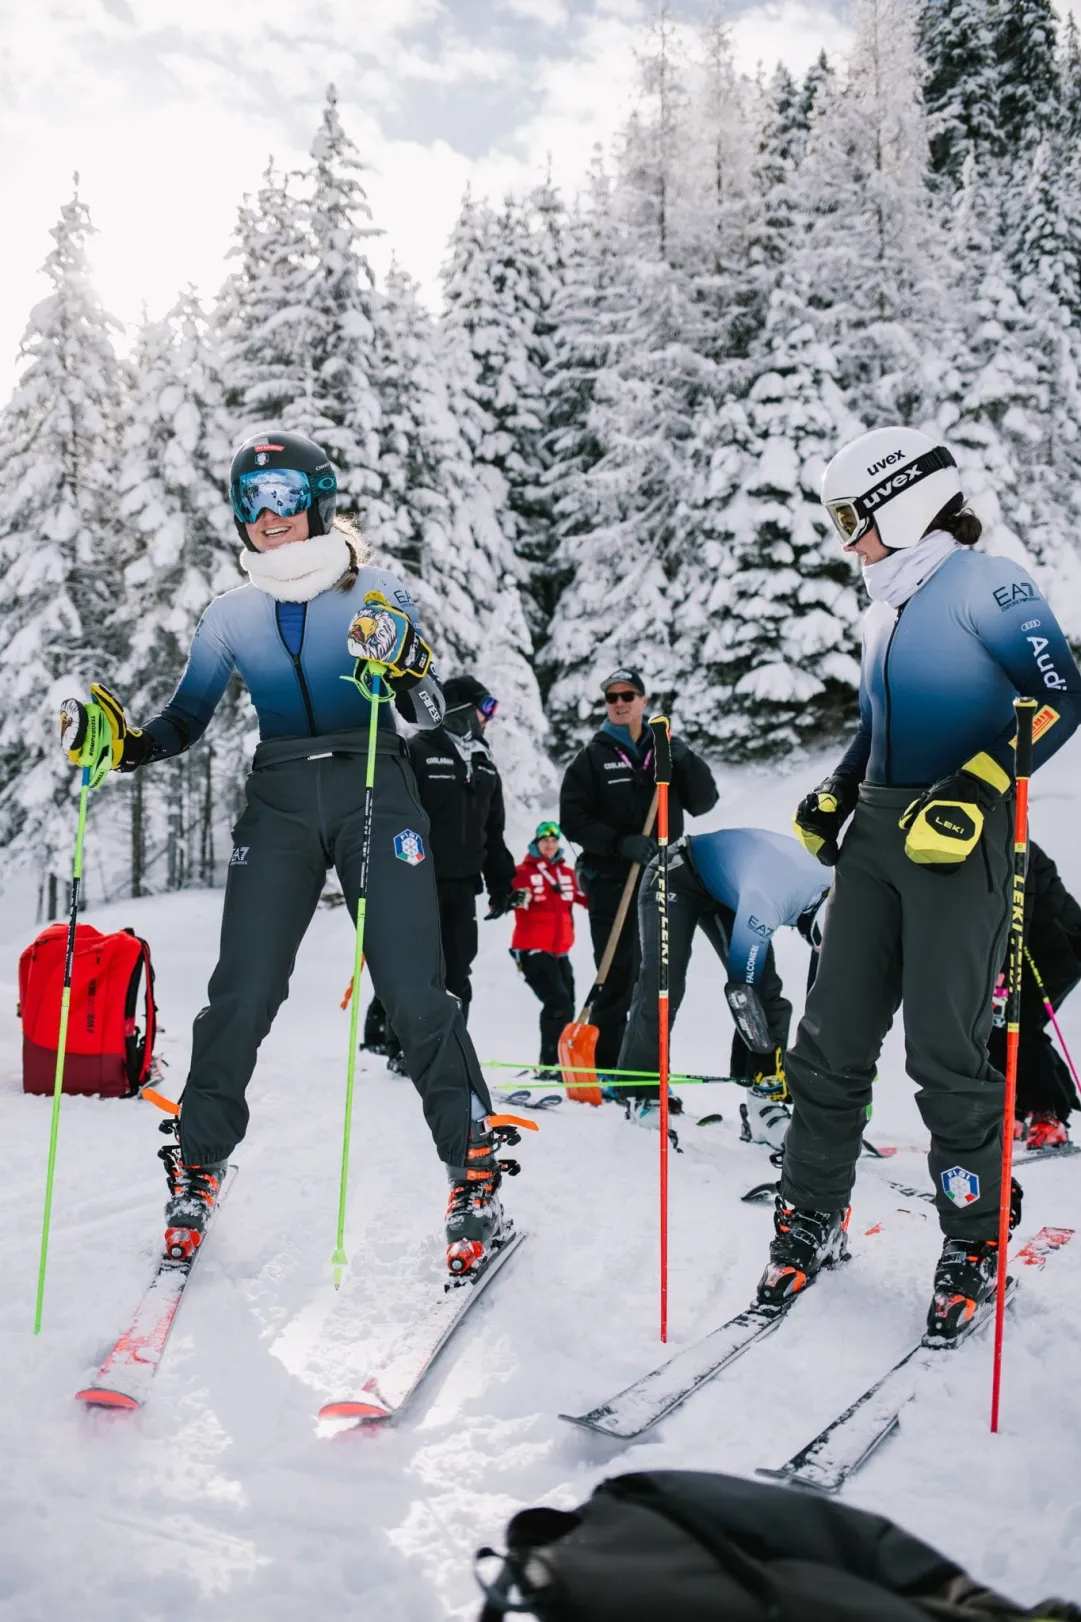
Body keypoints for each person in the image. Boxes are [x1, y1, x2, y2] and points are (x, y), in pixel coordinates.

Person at [60, 431, 526, 1280]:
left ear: (316, 496)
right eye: (249, 499)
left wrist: (401, 659)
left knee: (414, 985)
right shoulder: (231, 614)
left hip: (375, 781)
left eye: (280, 495)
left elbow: (416, 695)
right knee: (242, 987)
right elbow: (185, 718)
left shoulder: (377, 588)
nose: (266, 516)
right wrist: (123, 748)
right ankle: (199, 1159)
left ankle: (471, 1166)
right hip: (276, 795)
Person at [757, 424, 1081, 1344]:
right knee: (827, 1042)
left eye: (849, 517)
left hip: (960, 838)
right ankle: (809, 1214)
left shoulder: (987, 581)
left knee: (945, 1051)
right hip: (877, 837)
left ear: (899, 501)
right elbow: (880, 724)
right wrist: (838, 789)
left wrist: (978, 785)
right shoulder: (883, 605)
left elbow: (1064, 696)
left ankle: (973, 1241)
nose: (842, 537)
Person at [618, 828, 829, 1148]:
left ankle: (763, 1103)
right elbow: (740, 992)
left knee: (767, 992)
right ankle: (642, 1094)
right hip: (677, 872)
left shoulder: (843, 890)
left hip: (729, 886)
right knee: (664, 984)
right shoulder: (767, 901)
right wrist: (769, 1060)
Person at [559, 668, 718, 1074]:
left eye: (627, 695)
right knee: (615, 976)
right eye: (611, 697)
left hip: (665, 880)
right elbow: (573, 820)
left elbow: (703, 802)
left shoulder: (665, 752)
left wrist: (686, 760)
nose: (619, 702)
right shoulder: (591, 758)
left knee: (657, 982)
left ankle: (646, 1073)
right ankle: (611, 1068)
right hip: (612, 881)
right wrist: (619, 842)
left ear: (643, 701)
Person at [363, 673, 517, 1070]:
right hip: (417, 882)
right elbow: (391, 818)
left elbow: (493, 832)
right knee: (417, 969)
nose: (490, 718)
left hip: (463, 885)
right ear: (462, 710)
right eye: (486, 708)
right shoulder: (417, 750)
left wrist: (502, 883)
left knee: (459, 965)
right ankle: (404, 1048)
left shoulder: (483, 764)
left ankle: (451, 1046)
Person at [989, 840, 1081, 1150]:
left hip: (1058, 949)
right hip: (1025, 951)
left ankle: (1050, 1114)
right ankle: (1019, 1108)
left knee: (1021, 1026)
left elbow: (1019, 912)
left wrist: (1002, 969)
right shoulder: (993, 840)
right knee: (1000, 1029)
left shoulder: (1016, 845)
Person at [509, 820, 587, 1075]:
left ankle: (561, 1063)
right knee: (557, 1001)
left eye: (554, 841)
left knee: (570, 1004)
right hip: (532, 948)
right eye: (545, 841)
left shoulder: (567, 873)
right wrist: (513, 899)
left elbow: (586, 900)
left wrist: (592, 879)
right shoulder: (523, 872)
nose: (550, 845)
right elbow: (501, 901)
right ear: (537, 843)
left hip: (560, 950)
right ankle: (549, 1063)